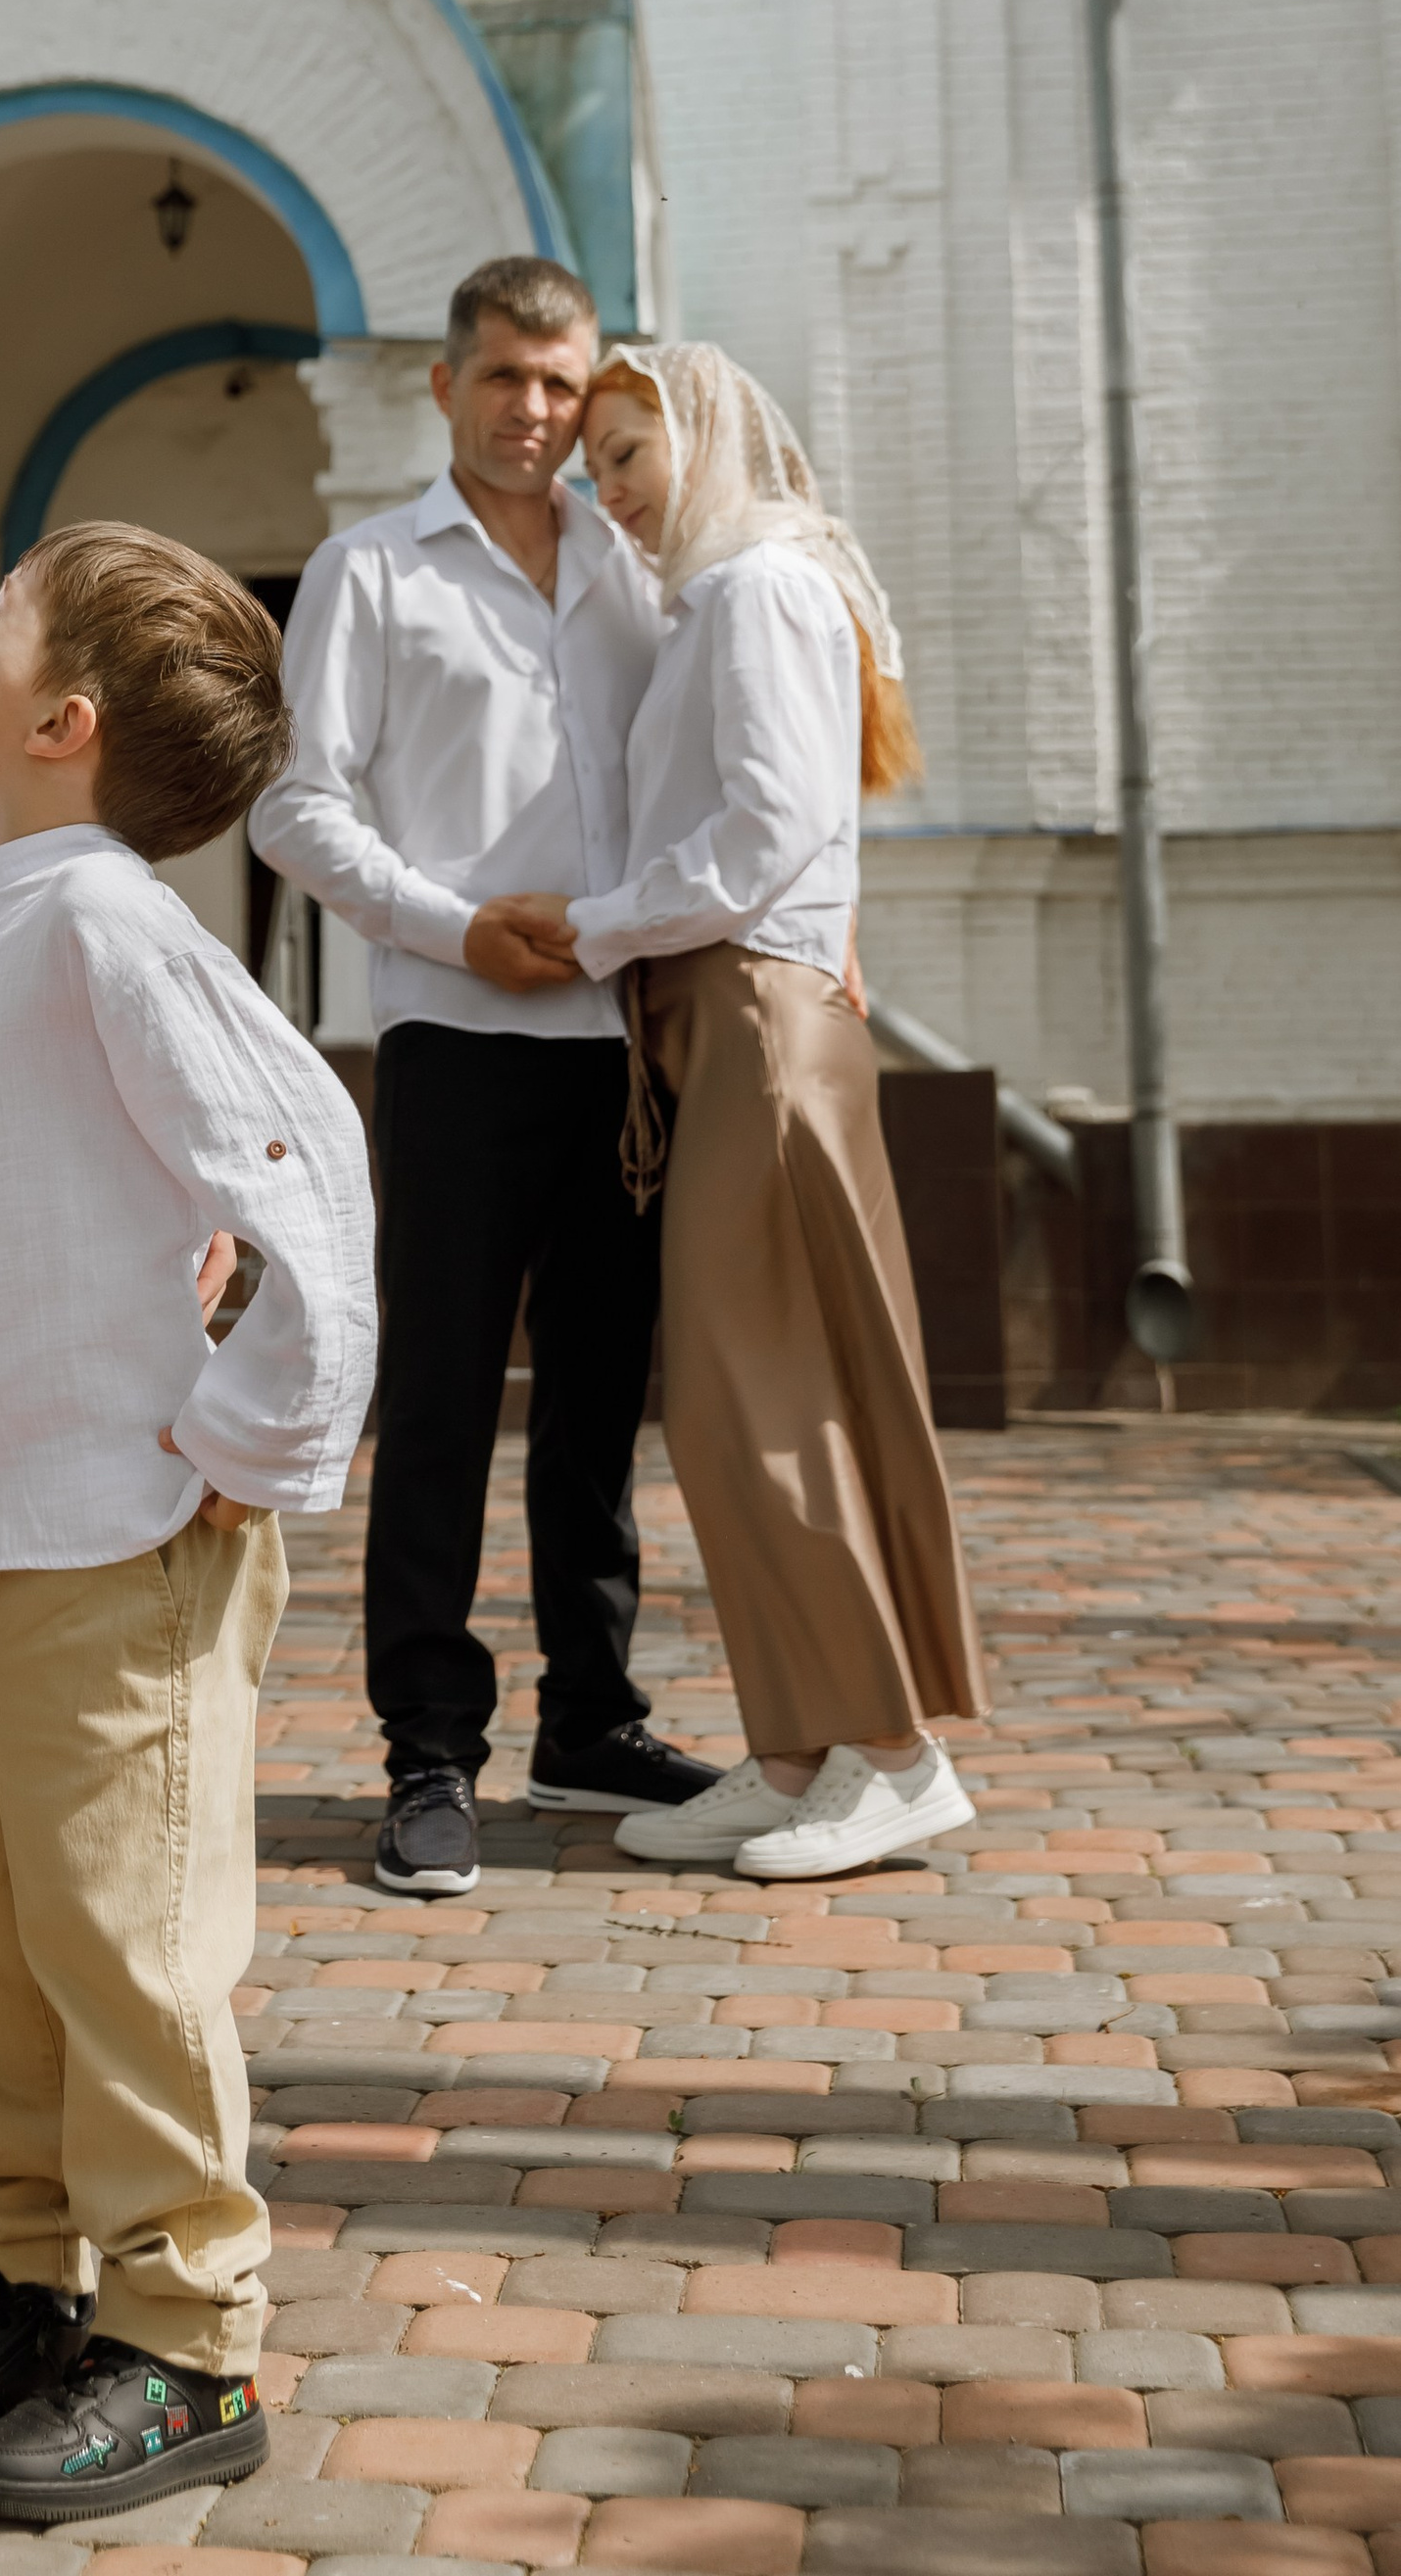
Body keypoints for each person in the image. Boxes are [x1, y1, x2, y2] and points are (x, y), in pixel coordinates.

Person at [0, 523, 377, 2525]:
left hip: (127, 1526)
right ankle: (5, 2279)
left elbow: (308, 1167)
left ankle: (181, 2338)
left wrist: (251, 1434)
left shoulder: (101, 927)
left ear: (56, 722)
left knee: (124, 1939)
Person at [250, 258, 718, 1904]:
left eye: (563, 383)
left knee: (600, 1407)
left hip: (629, 1055)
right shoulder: (370, 571)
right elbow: (296, 808)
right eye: (506, 376)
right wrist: (460, 929)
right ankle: (428, 1751)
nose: (536, 409)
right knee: (441, 1406)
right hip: (455, 1044)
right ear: (445, 386)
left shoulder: (641, 572)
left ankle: (591, 1720)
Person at [538, 340, 988, 1882]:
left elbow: (773, 830)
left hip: (756, 1014)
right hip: (734, 1015)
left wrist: (596, 921)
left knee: (769, 1391)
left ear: (706, 439)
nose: (610, 490)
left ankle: (887, 1750)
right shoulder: (732, 592)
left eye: (628, 453)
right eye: (593, 465)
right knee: (742, 1398)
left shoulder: (754, 592)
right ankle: (800, 1748)